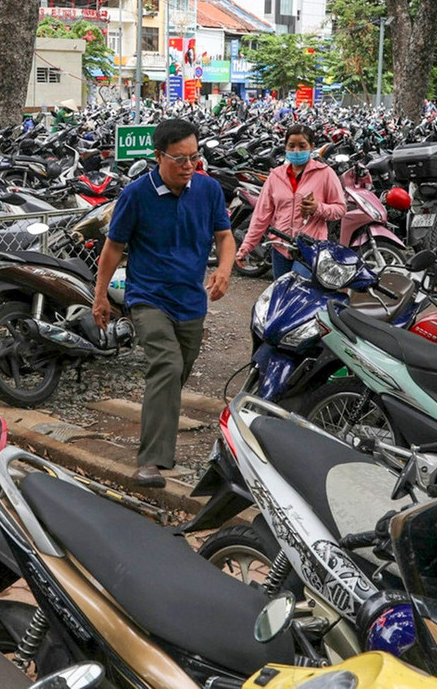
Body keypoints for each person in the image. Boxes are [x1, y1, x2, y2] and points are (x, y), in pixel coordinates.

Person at [92, 119, 233, 488]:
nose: (188, 166)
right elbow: (113, 247)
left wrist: (224, 270)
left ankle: (157, 434)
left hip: (191, 301)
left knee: (175, 374)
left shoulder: (208, 189)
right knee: (167, 367)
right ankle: (151, 462)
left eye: (194, 157)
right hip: (148, 297)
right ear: (159, 156)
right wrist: (100, 294)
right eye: (179, 159)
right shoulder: (136, 195)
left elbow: (224, 235)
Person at [236, 124, 345, 279]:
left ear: (312, 146)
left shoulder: (325, 174)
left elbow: (340, 209)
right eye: (291, 146)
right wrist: (246, 247)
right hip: (281, 248)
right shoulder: (276, 176)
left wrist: (318, 208)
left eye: (302, 146)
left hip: (310, 249)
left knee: (298, 290)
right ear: (285, 147)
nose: (296, 151)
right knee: (281, 291)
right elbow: (261, 216)